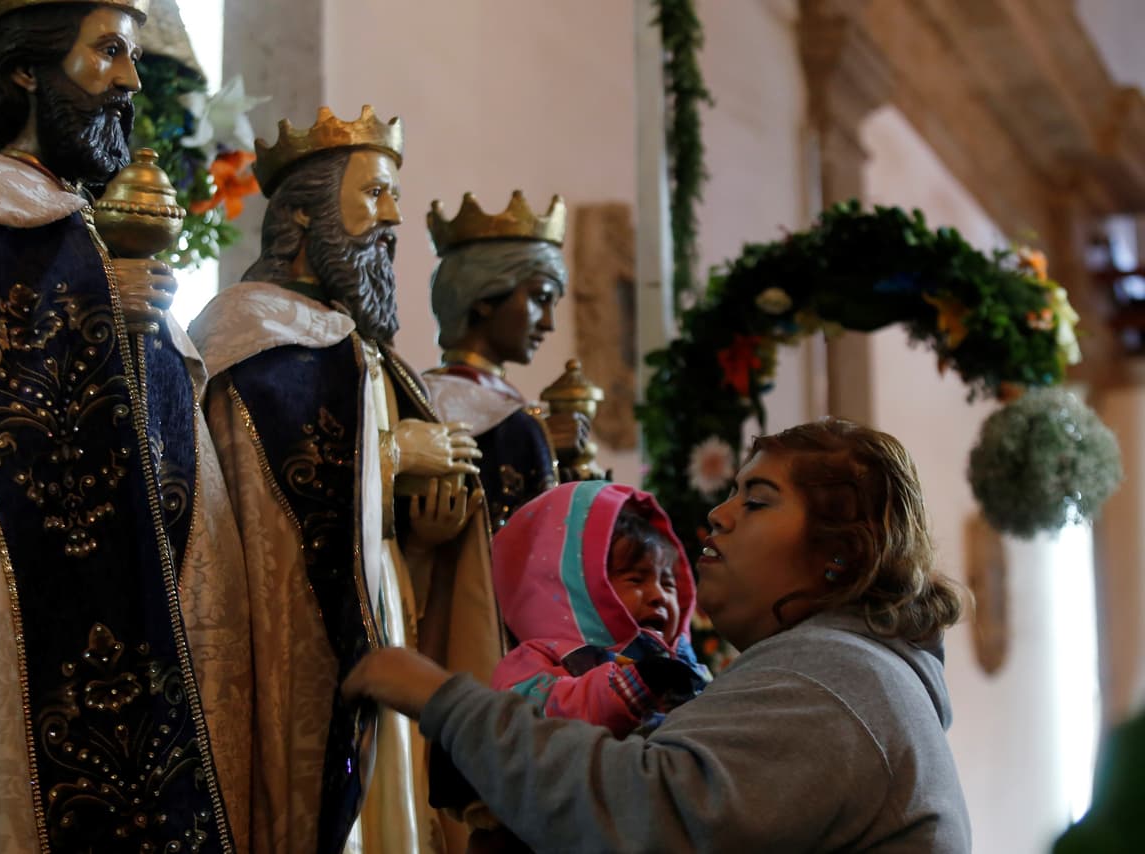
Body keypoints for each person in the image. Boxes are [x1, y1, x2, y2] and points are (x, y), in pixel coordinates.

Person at [0, 1, 251, 851]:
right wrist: (86, 303)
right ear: (22, 70)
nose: (131, 79)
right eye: (107, 50)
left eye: (134, 53)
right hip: (9, 622)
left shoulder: (79, 230)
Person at [343, 417, 972, 852]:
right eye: (731, 494)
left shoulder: (832, 680)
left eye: (756, 501)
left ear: (841, 553)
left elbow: (642, 812)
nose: (718, 516)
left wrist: (443, 700)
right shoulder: (848, 674)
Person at [189, 106, 502, 854]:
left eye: (392, 194)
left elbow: (364, 498)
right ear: (302, 216)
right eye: (373, 195)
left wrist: (427, 519)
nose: (392, 216)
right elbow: (260, 477)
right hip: (289, 625)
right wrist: (396, 456)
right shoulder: (251, 330)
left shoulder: (350, 343)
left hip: (379, 605)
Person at [423, 191, 589, 529]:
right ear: (483, 296)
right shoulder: (432, 400)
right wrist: (537, 439)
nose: (548, 323)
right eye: (540, 299)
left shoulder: (506, 407)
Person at [490, 481, 708, 736]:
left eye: (668, 583)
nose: (659, 595)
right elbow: (526, 724)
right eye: (636, 580)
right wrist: (624, 691)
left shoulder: (687, 667)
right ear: (579, 587)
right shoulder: (544, 658)